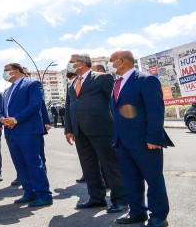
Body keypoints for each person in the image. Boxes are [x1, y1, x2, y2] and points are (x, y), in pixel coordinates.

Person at [109, 51, 173, 226]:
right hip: (122, 142)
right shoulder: (117, 83)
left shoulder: (146, 80)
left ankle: (158, 216)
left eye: (111, 61)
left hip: (145, 141)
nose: (110, 64)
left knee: (153, 179)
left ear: (121, 61)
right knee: (130, 179)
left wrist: (154, 138)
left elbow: (156, 111)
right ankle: (137, 212)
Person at [64, 53, 127, 214]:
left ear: (83, 63)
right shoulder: (72, 83)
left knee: (110, 165)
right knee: (89, 167)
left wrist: (120, 125)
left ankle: (121, 199)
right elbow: (69, 107)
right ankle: (96, 198)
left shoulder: (102, 78)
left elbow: (115, 101)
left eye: (72, 62)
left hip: (102, 129)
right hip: (80, 132)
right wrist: (69, 129)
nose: (69, 64)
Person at [0, 63, 52, 207]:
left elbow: (35, 105)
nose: (3, 73)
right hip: (11, 132)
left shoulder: (32, 84)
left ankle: (44, 195)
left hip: (28, 131)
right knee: (20, 163)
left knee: (34, 163)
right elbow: (2, 110)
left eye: (6, 71)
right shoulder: (6, 91)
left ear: (16, 71)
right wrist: (2, 118)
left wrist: (16, 119)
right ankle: (29, 192)